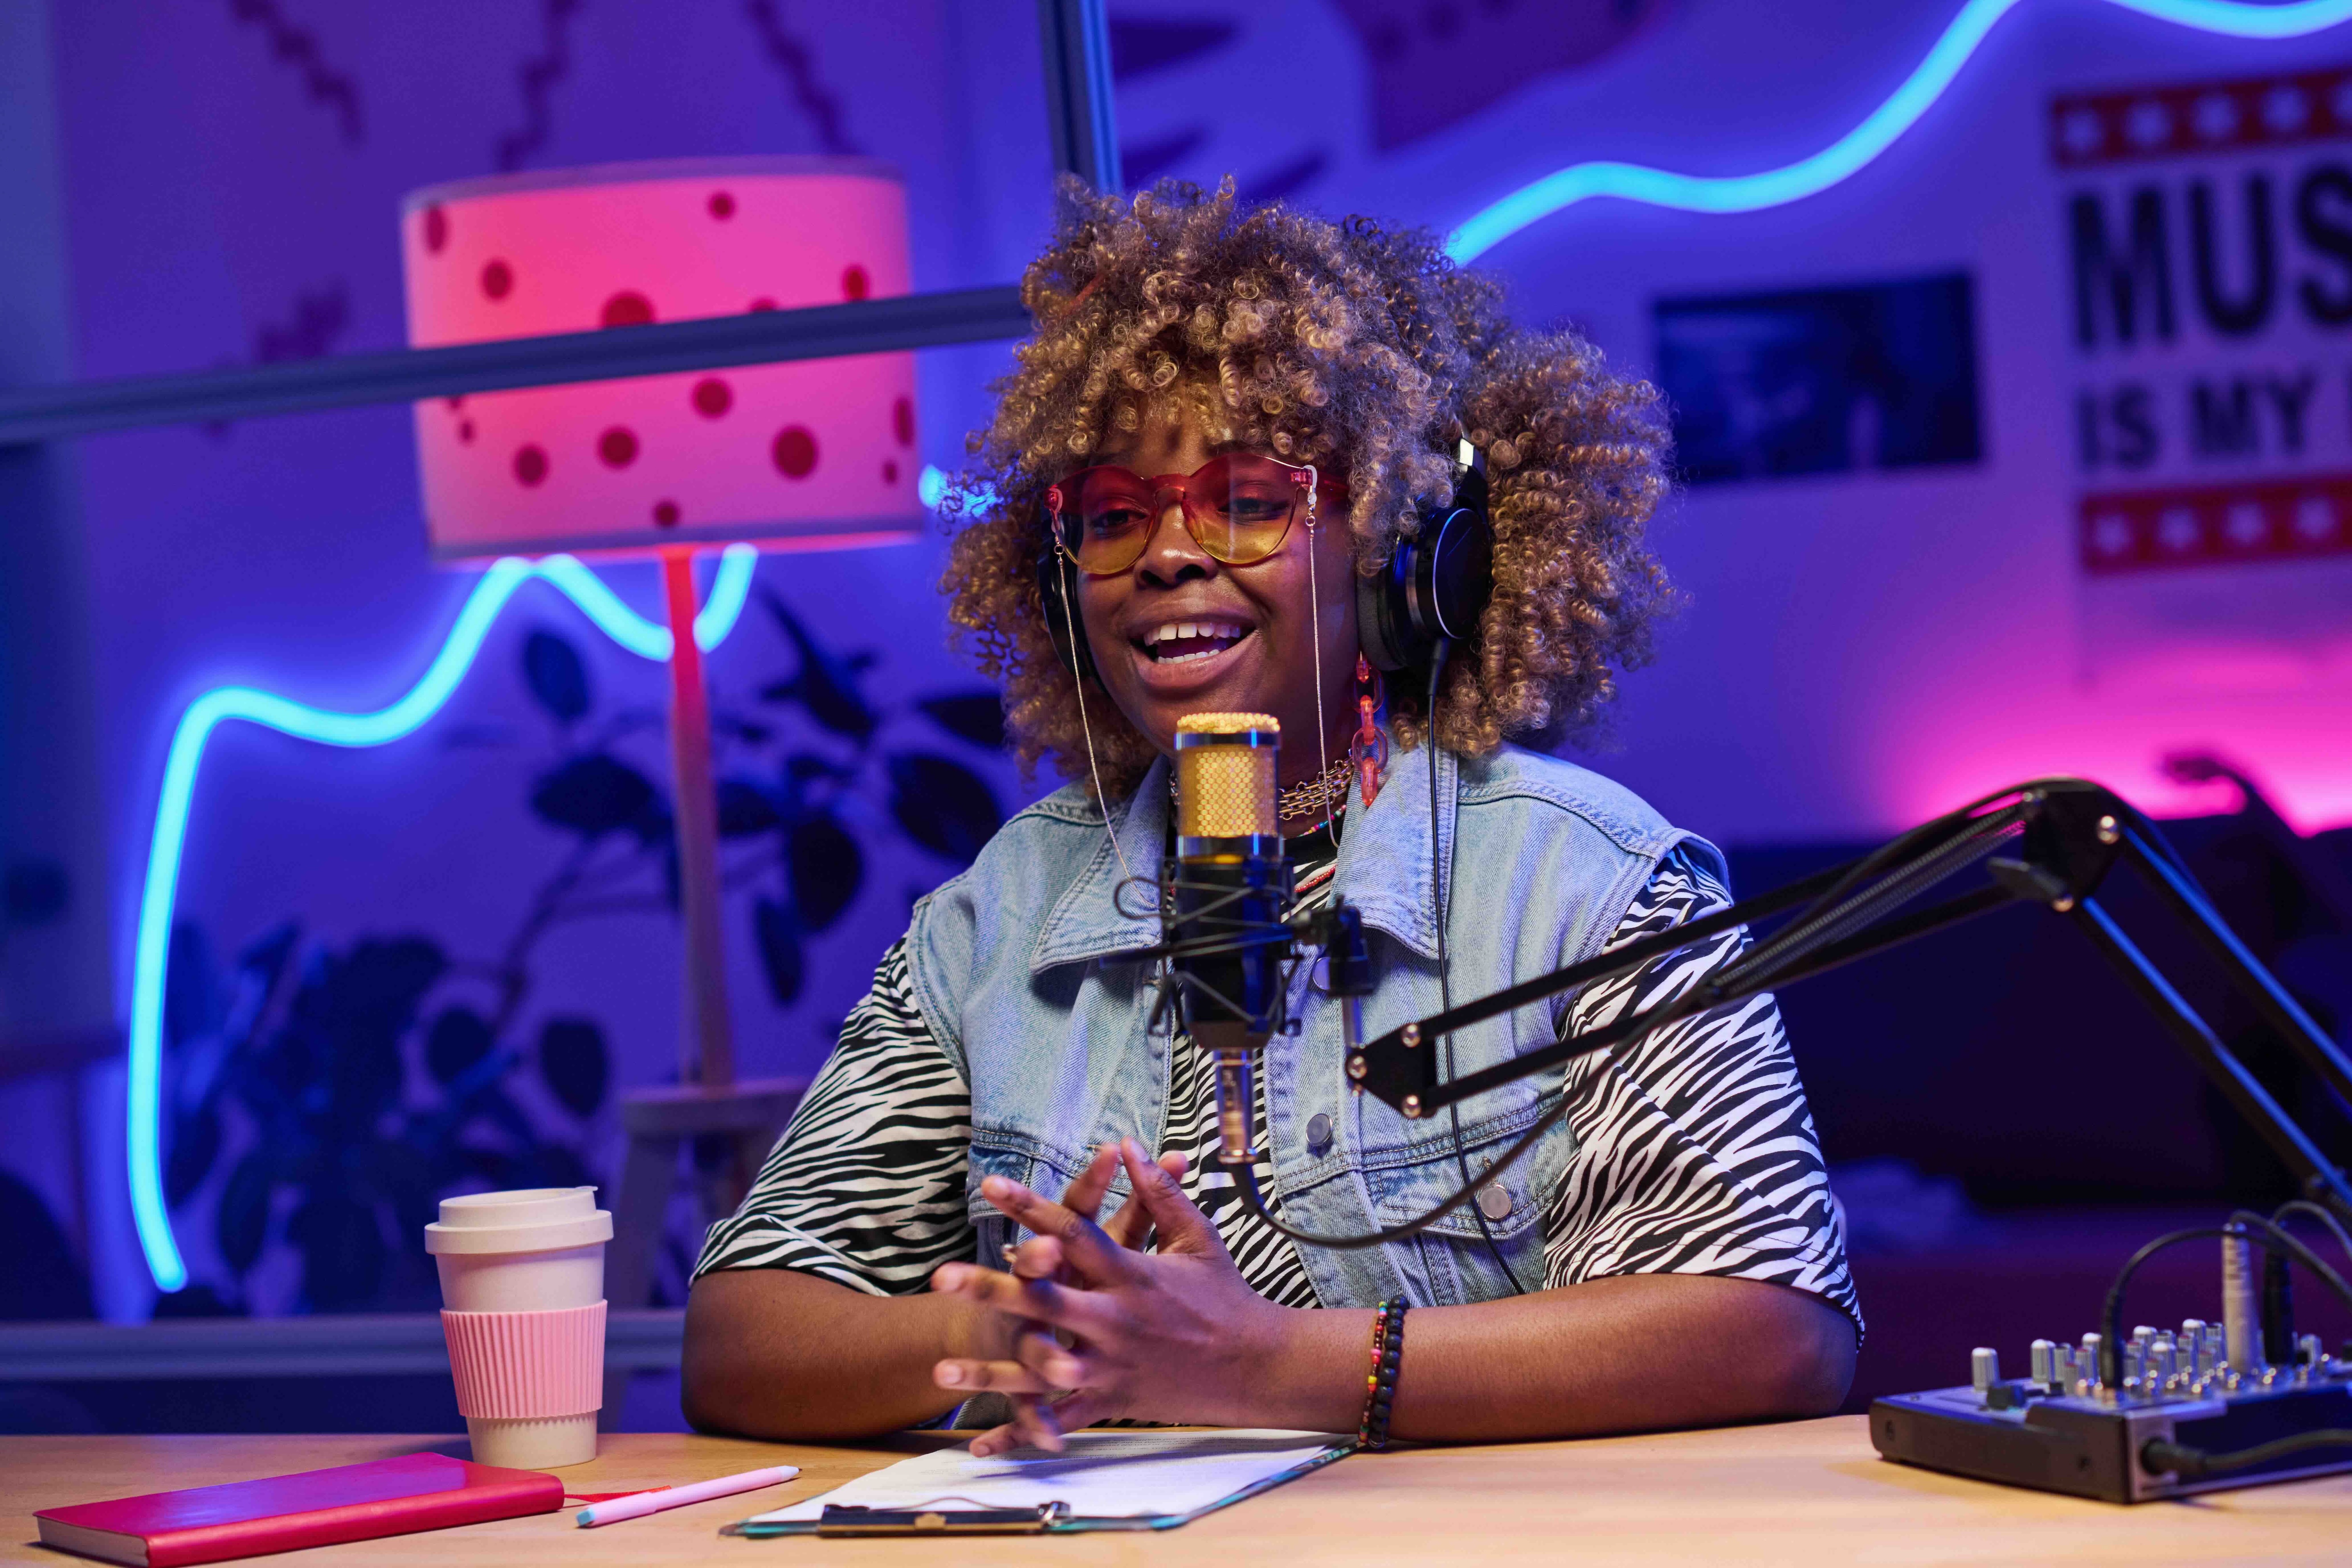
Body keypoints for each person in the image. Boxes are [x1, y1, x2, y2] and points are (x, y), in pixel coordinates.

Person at [682, 180, 1858, 1453]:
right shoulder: (1001, 915)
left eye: (1247, 501)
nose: (1167, 555)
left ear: (1401, 552)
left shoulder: (1590, 881)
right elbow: (742, 1343)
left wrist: (1270, 1368)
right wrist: (1033, 1327)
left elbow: (1775, 1325)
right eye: (1114, 519)